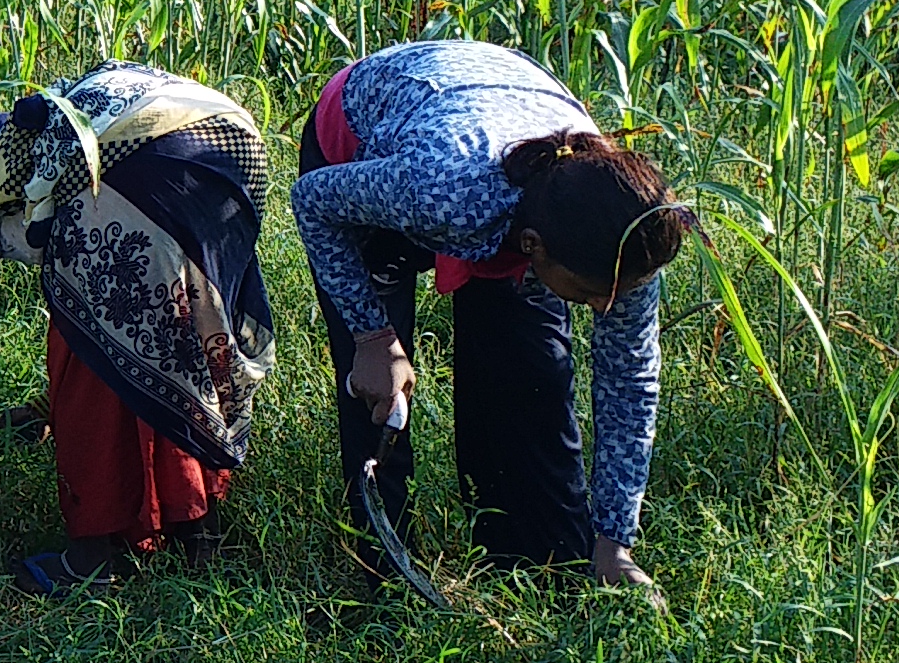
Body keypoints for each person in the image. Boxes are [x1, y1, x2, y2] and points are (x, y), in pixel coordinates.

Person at [291, 39, 690, 591]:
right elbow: (312, 200)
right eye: (591, 292)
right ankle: (383, 581)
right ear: (532, 246)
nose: (604, 308)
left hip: (498, 118)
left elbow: (630, 384)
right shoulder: (440, 194)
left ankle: (543, 573)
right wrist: (372, 336)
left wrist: (614, 541)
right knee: (380, 396)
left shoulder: (625, 236)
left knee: (531, 380)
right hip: (377, 140)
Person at [0, 61, 278, 594]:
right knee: (179, 350)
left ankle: (92, 556)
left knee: (87, 362)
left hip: (146, 170)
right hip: (225, 149)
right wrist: (33, 413)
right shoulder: (54, 136)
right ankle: (198, 532)